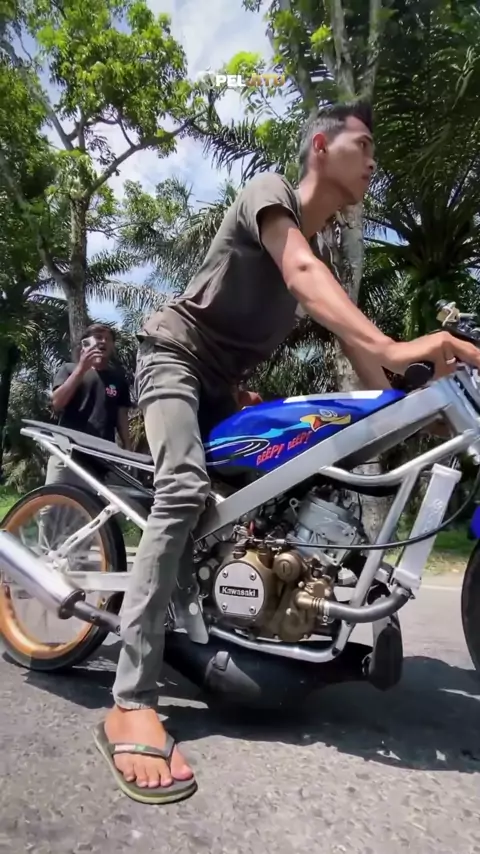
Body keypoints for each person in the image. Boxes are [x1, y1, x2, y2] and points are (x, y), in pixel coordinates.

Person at [95, 101, 480, 804]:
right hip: (175, 358)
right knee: (183, 491)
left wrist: (415, 402)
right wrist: (397, 347)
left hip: (225, 389)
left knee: (277, 487)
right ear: (321, 147)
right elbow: (300, 272)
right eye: (364, 145)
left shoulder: (324, 256)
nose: (373, 162)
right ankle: (129, 699)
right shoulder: (269, 194)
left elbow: (367, 362)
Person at [46, 323, 132, 488]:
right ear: (85, 344)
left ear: (112, 346)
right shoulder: (69, 369)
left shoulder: (119, 380)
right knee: (53, 501)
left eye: (108, 339)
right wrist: (81, 368)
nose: (103, 341)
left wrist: (127, 449)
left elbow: (122, 416)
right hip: (66, 453)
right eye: (98, 337)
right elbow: (57, 403)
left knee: (91, 503)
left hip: (99, 458)